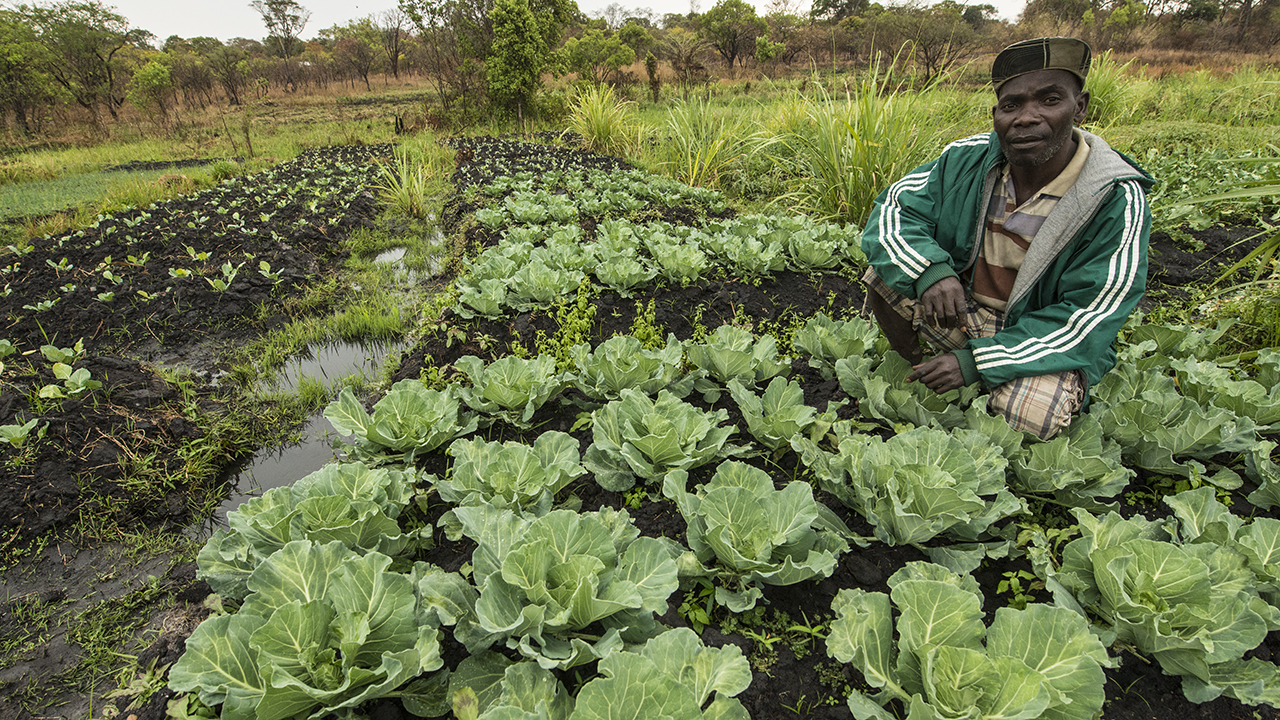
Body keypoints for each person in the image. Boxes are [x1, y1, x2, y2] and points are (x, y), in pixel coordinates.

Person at [860, 37, 1153, 439]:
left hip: (1043, 335)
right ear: (995, 113)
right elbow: (894, 209)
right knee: (886, 273)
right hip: (969, 311)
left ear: (1079, 107)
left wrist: (977, 363)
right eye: (1011, 105)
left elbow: (1089, 315)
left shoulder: (1114, 196)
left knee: (1027, 420)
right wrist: (931, 271)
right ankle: (918, 367)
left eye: (1049, 100)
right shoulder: (964, 159)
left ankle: (987, 375)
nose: (1026, 118)